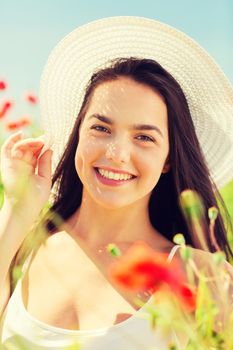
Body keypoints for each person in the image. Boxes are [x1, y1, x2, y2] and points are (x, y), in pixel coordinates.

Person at [0, 16, 233, 349]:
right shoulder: (22, 249)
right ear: (77, 134)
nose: (117, 153)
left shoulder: (204, 277)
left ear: (168, 159)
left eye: (144, 137)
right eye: (101, 128)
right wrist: (16, 212)